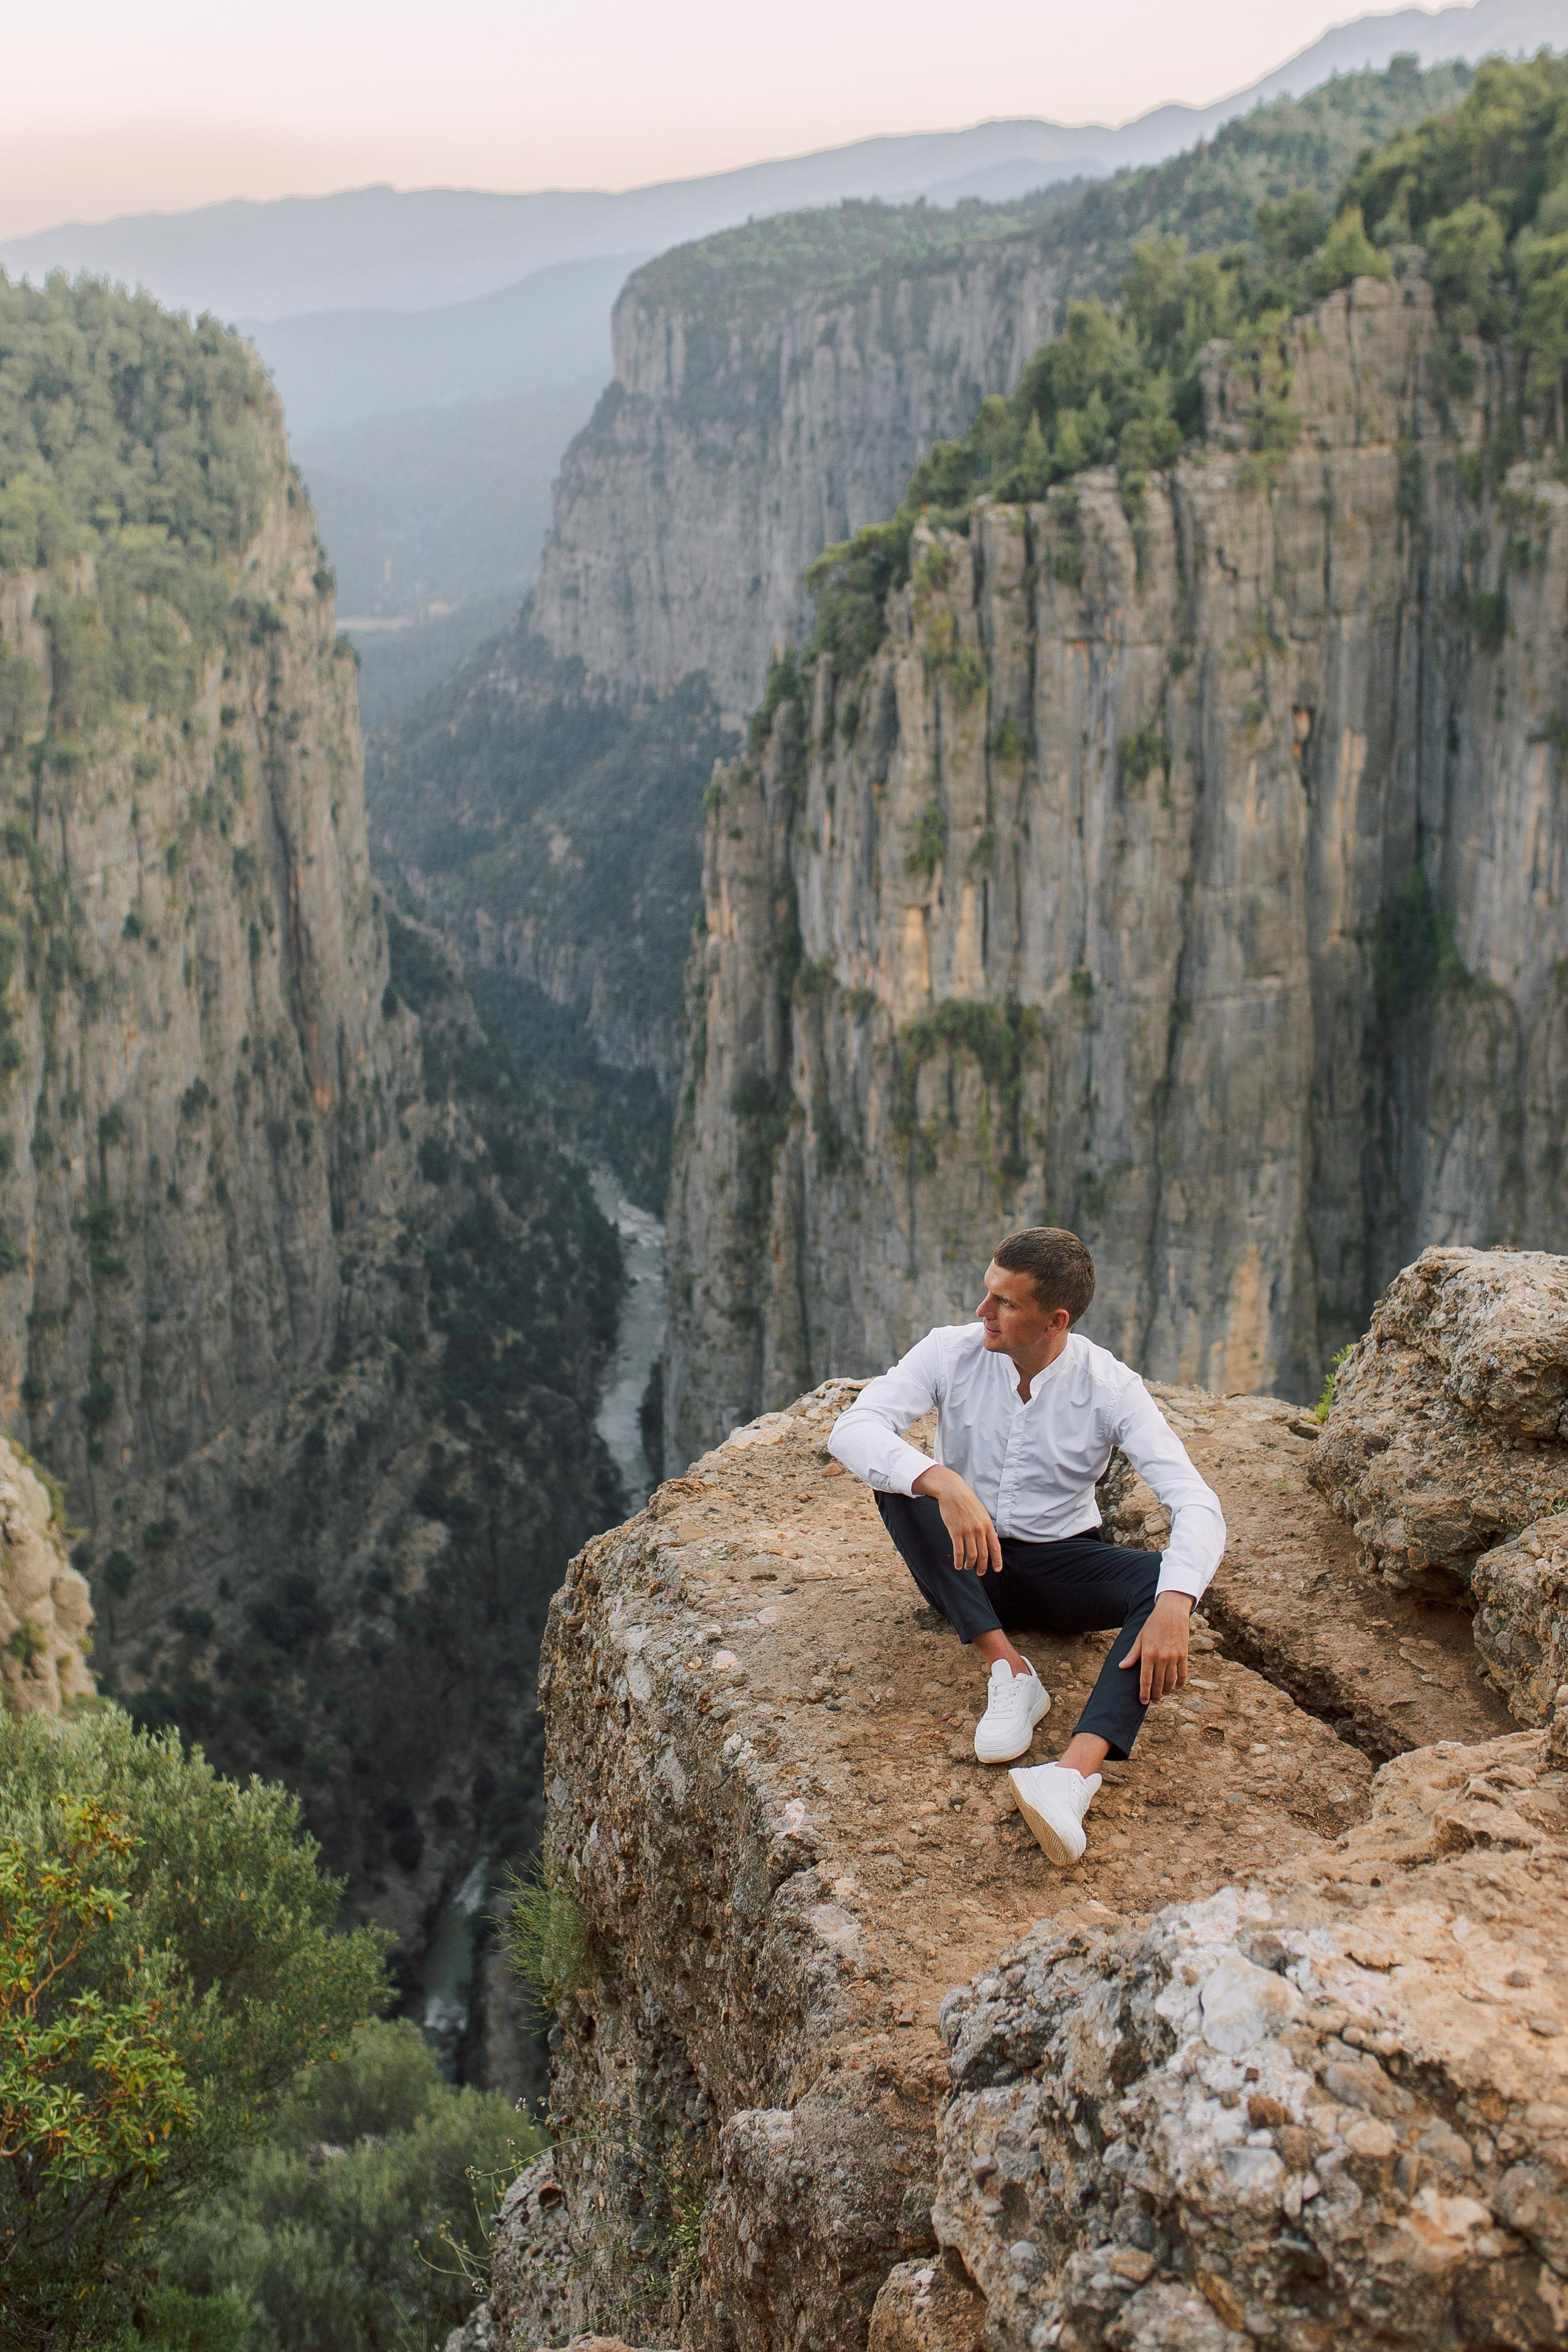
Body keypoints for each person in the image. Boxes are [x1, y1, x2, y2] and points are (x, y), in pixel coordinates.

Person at [827, 1227, 1225, 1866]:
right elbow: (852, 1428)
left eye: (1004, 1304)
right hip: (965, 1564)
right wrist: (944, 1481)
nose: (983, 1313)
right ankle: (1008, 1669)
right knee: (900, 1482)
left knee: (1164, 1586)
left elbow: (1196, 1502)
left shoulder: (1110, 1386)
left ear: (1055, 1320)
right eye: (987, 1294)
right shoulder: (949, 1352)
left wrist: (1177, 1602)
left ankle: (1069, 1776)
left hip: (1061, 1567)